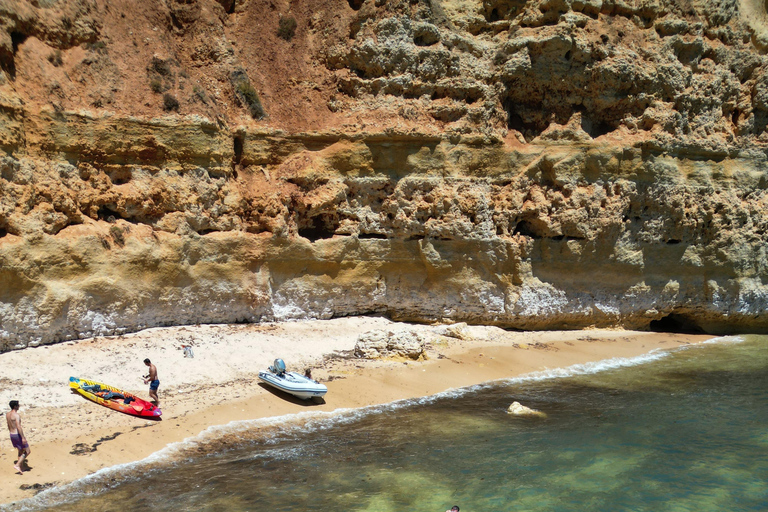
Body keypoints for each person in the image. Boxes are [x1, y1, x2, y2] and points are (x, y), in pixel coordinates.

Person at [6, 400, 30, 475]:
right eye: (18, 405)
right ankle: (17, 465)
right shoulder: (16, 415)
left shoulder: (7, 414)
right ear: (15, 406)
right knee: (27, 451)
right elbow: (18, 427)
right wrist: (23, 437)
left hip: (12, 434)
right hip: (17, 435)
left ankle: (21, 467)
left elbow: (8, 425)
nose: (19, 406)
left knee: (20, 450)